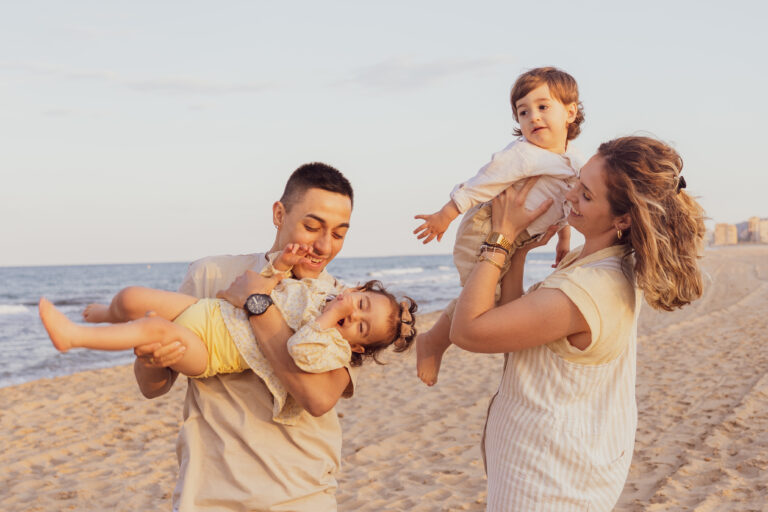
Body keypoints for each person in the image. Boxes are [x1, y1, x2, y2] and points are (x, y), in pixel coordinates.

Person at [450, 136, 706, 510]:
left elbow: (468, 331)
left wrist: (500, 238)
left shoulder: (587, 288)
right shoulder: (596, 261)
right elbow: (516, 327)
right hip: (560, 466)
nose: (569, 195)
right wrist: (519, 249)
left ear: (623, 218)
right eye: (576, 181)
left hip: (548, 485)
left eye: (586, 194)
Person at [131, 163, 369, 510]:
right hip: (207, 494)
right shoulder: (211, 273)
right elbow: (152, 387)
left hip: (302, 496)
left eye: (338, 234)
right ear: (278, 214)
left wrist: (257, 303)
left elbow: (318, 398)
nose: (323, 245)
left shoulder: (344, 308)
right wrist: (149, 356)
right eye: (312, 226)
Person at [39, 242, 417, 425]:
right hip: (206, 313)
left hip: (213, 351)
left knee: (152, 329)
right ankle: (109, 314)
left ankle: (72, 337)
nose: (354, 317)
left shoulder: (331, 344)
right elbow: (271, 285)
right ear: (356, 291)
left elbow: (301, 353)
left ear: (356, 345)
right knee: (131, 297)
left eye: (362, 328)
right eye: (361, 305)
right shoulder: (318, 290)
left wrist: (328, 319)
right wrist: (281, 265)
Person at [413, 67, 586, 386]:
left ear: (570, 112)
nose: (533, 117)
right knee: (481, 299)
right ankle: (434, 341)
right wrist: (445, 214)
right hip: (484, 227)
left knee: (500, 302)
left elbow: (569, 201)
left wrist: (564, 238)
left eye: (543, 107)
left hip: (516, 236)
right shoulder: (522, 154)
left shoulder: (574, 161)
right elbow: (482, 182)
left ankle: (442, 340)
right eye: (523, 112)